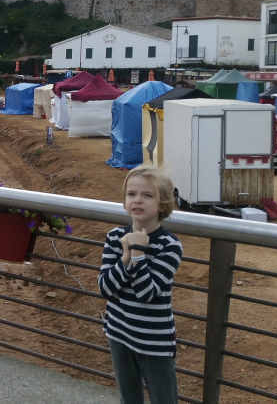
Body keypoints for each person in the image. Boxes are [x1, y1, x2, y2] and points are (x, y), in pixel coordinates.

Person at [97, 165, 183, 404]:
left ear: (162, 204)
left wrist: (137, 252)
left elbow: (146, 293)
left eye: (147, 195)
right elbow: (105, 288)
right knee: (129, 398)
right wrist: (126, 255)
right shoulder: (115, 237)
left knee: (164, 398)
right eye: (131, 194)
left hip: (154, 341)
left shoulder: (170, 246)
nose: (137, 200)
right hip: (118, 332)